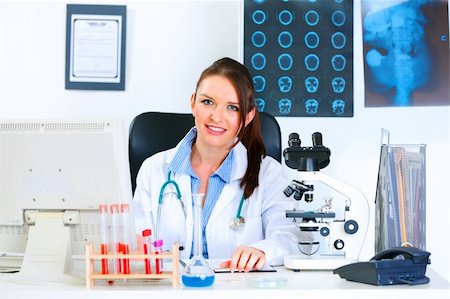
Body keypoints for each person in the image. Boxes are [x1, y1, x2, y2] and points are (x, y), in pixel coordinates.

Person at [132, 57, 298, 272]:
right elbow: (137, 242)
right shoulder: (153, 170)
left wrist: (262, 251)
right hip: (169, 289)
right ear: (193, 103)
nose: (216, 117)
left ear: (248, 116)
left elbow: (289, 236)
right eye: (207, 102)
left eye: (232, 107)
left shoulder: (268, 174)